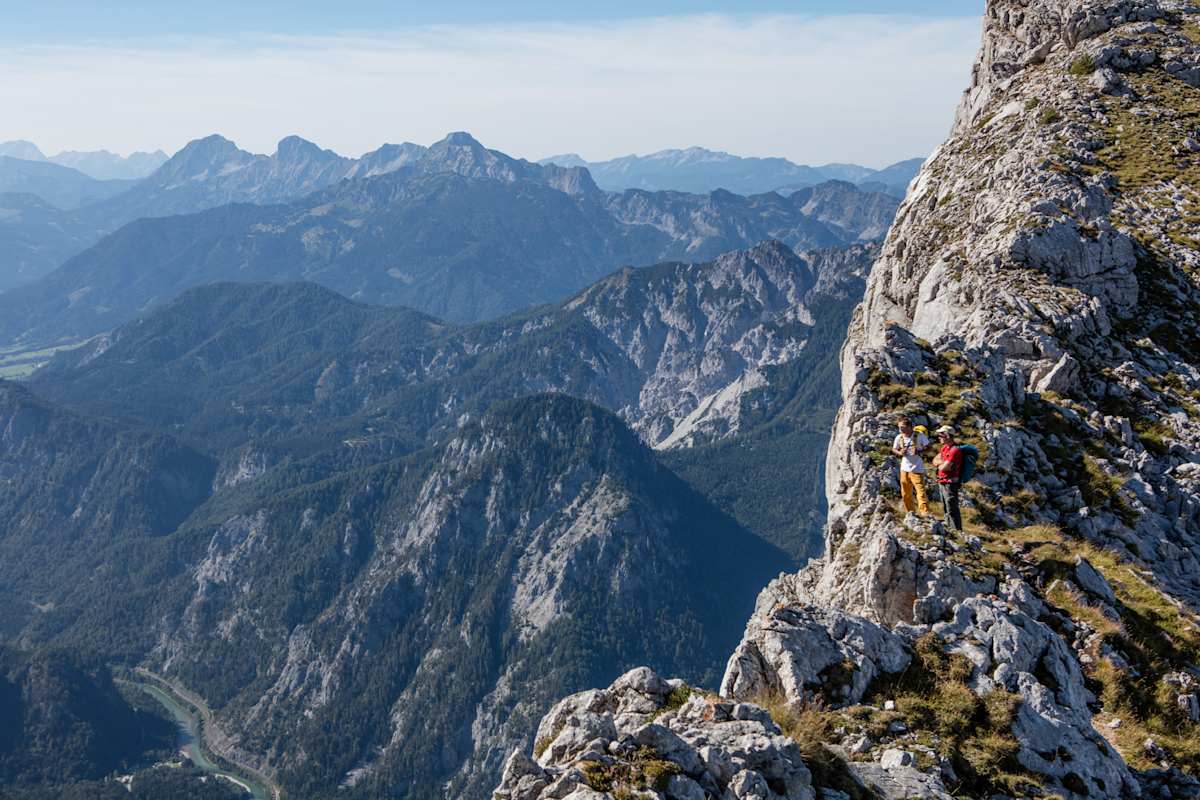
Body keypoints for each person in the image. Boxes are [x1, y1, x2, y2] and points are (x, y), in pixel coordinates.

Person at [891, 415, 930, 515]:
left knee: (920, 492)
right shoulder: (899, 437)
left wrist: (919, 450)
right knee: (905, 493)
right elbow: (894, 449)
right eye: (899, 427)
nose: (900, 429)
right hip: (904, 468)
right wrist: (900, 453)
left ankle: (924, 513)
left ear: (909, 427)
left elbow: (929, 447)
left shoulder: (919, 435)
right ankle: (910, 513)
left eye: (902, 427)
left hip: (917, 469)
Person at [933, 425, 964, 532]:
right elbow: (935, 460)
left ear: (947, 435)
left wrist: (941, 464)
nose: (938, 437)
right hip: (942, 481)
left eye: (941, 435)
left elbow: (945, 467)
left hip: (951, 483)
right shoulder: (944, 448)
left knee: (952, 508)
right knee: (946, 507)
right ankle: (950, 528)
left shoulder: (954, 450)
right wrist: (941, 463)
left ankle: (958, 531)